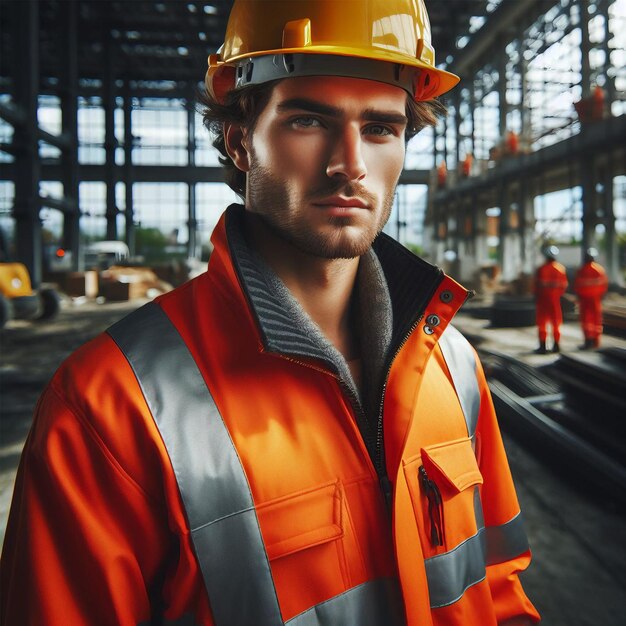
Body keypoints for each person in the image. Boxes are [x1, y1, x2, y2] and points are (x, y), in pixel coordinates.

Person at [1, 1, 540, 625]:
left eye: (381, 129)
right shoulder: (112, 406)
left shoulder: (452, 363)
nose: (350, 165)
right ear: (239, 142)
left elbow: (497, 585)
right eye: (309, 121)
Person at [534, 245, 568, 353]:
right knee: (556, 322)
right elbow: (564, 285)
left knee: (542, 323)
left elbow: (536, 285)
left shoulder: (541, 269)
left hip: (543, 300)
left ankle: (543, 346)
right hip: (555, 300)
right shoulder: (560, 269)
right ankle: (556, 345)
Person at [574, 247, 608, 349]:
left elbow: (577, 286)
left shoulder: (581, 270)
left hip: (584, 300)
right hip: (595, 299)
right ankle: (596, 342)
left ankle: (588, 341)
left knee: (586, 320)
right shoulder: (599, 270)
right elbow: (604, 286)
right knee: (596, 320)